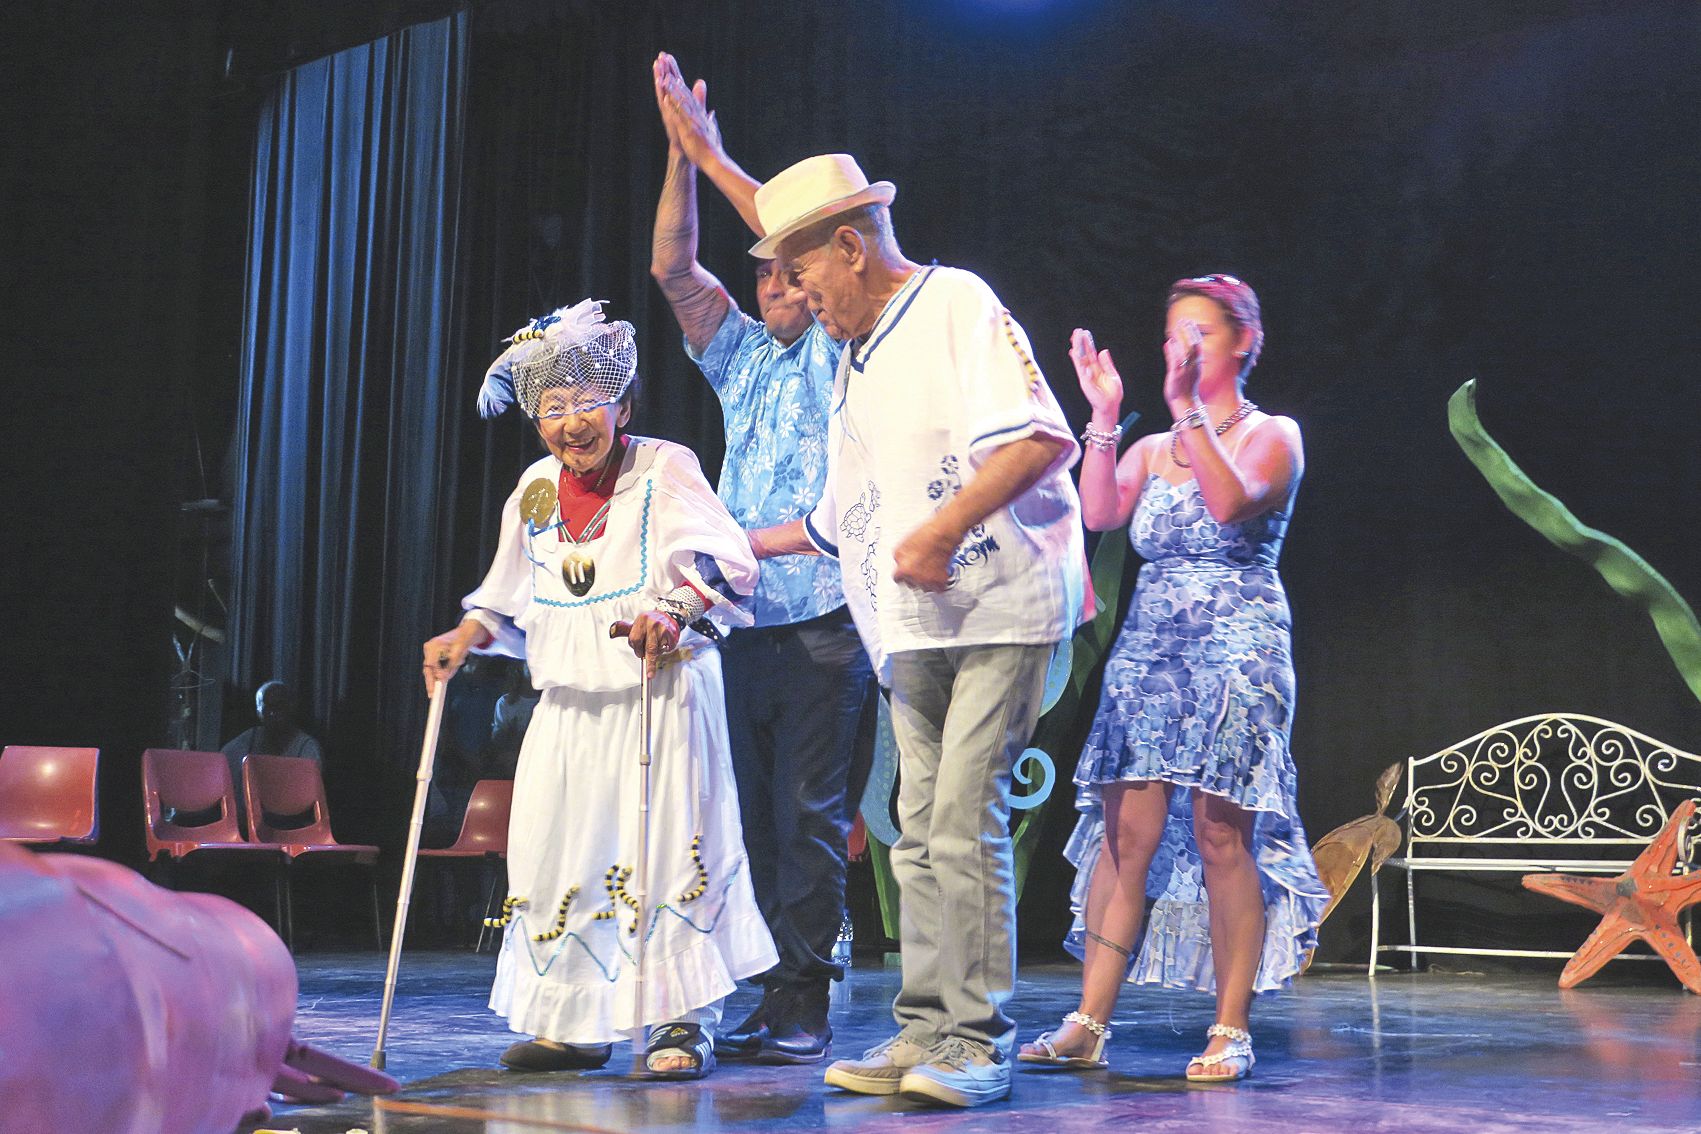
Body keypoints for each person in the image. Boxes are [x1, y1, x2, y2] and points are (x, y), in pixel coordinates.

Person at [745, 155, 1087, 1108]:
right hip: (912, 623)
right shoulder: (857, 353)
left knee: (960, 822)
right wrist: (733, 548)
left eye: (804, 275)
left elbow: (1038, 438)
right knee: (912, 835)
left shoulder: (953, 304)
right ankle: (925, 1030)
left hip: (999, 605)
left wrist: (940, 529)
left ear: (850, 248)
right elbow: (838, 516)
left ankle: (976, 1042)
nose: (799, 297)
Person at [422, 299, 777, 1081]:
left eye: (589, 404)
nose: (571, 424)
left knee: (665, 851)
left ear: (623, 404)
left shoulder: (664, 466)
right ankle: (573, 1023)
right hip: (568, 706)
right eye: (552, 410)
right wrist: (464, 636)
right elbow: (505, 590)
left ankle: (679, 1020)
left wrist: (673, 611)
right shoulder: (536, 490)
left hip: (661, 696)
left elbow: (722, 560)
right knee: (560, 857)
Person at [1018, 275, 1326, 1082]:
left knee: (1223, 836)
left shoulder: (1274, 435)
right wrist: (1108, 419)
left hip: (1237, 652)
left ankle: (1229, 1028)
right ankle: (1088, 1021)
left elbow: (1230, 505)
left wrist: (1187, 407)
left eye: (1200, 333)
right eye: (1171, 335)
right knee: (1127, 839)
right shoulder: (1154, 449)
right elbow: (1096, 515)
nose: (1182, 347)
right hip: (1149, 657)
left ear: (1243, 342)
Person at [648, 53, 875, 1065]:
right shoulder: (740, 354)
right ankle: (764, 987)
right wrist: (679, 162)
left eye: (787, 269)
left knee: (810, 818)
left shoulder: (841, 343)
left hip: (826, 617)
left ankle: (806, 997)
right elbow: (671, 269)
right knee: (748, 817)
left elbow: (799, 254)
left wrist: (716, 149)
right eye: (764, 274)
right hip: (742, 622)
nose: (774, 282)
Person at [220, 680, 324, 832]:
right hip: (244, 821)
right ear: (258, 710)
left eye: (280, 706)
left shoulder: (307, 748)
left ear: (291, 707)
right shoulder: (247, 740)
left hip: (290, 820)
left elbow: (305, 800)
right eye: (268, 707)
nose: (274, 713)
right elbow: (219, 769)